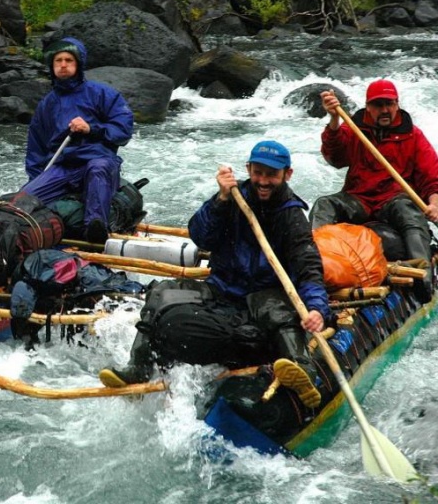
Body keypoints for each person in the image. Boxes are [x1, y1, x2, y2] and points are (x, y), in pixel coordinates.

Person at [100, 140, 330, 409]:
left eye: (272, 175)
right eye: (258, 173)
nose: (263, 181)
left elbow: (308, 265)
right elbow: (201, 236)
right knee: (162, 292)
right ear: (248, 169)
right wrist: (220, 200)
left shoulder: (291, 215)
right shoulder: (232, 198)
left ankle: (303, 370)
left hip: (263, 296)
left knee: (273, 307)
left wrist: (316, 308)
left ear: (286, 175)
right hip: (221, 287)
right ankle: (138, 366)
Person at [311, 79, 438, 302]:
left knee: (407, 208)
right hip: (359, 199)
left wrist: (434, 204)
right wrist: (333, 119)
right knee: (325, 203)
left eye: (389, 104)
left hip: (393, 200)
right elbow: (335, 158)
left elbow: (432, 177)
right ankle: (314, 267)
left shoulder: (413, 135)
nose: (385, 110)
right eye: (378, 105)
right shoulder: (354, 128)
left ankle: (423, 278)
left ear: (397, 104)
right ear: (368, 107)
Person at [20, 37, 134, 244]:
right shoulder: (47, 104)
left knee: (97, 168)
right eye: (58, 61)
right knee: (24, 201)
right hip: (63, 167)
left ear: (78, 64)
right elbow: (36, 149)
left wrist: (91, 129)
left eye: (69, 60)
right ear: (52, 66)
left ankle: (95, 228)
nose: (63, 65)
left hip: (98, 160)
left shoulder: (102, 93)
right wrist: (35, 182)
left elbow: (123, 130)